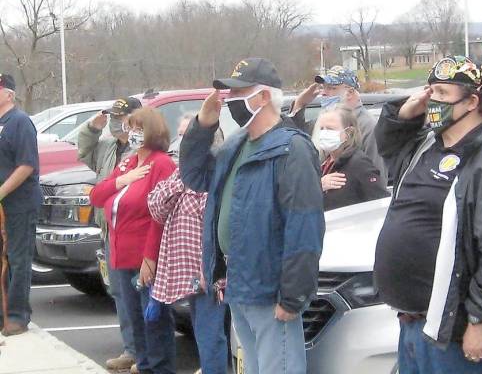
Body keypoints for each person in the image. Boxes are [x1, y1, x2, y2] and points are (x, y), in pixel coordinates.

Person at [373, 56, 482, 373]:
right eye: (430, 91)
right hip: (415, 326)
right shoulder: (426, 147)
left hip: (458, 335)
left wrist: (481, 318)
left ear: (472, 101)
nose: (432, 101)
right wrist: (405, 112)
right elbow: (388, 143)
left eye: (442, 95)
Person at [179, 58, 325, 374]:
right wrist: (202, 126)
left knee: (279, 367)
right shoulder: (237, 144)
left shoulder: (291, 149)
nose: (229, 101)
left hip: (268, 287)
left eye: (237, 93)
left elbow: (304, 226)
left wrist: (292, 296)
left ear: (262, 97)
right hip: (237, 281)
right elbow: (194, 175)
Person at [90, 107, 176, 374]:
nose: (133, 134)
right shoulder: (128, 163)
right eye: (131, 128)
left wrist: (150, 258)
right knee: (134, 317)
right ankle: (143, 362)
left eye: (139, 129)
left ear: (153, 132)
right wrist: (121, 181)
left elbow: (159, 216)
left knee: (154, 318)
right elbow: (97, 196)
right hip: (120, 254)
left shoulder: (162, 164)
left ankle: (158, 366)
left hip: (145, 256)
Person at [77, 96, 142, 371]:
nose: (118, 123)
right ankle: (131, 348)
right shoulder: (108, 148)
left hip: (134, 229)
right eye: (114, 118)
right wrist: (92, 126)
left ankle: (146, 351)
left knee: (139, 292)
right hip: (110, 229)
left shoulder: (142, 149)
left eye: (122, 118)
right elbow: (84, 151)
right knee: (119, 291)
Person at [148, 162, 228, 374]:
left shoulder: (213, 177)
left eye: (187, 135)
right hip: (187, 272)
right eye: (182, 136)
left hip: (208, 274)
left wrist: (208, 267)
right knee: (201, 332)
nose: (184, 142)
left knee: (210, 334)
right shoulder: (179, 174)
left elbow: (216, 227)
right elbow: (156, 206)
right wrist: (182, 181)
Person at [289, 65, 388, 187]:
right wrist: (300, 104)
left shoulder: (368, 126)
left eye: (331, 88)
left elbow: (377, 180)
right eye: (323, 88)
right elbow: (296, 138)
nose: (324, 93)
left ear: (350, 93)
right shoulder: (326, 120)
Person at [0, 74, 42, 336]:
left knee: (18, 258)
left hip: (19, 204)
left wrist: (1, 192)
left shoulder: (20, 122)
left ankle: (17, 316)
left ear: (9, 94)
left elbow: (27, 165)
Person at [314, 105, 387, 211]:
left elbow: (378, 201)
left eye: (330, 129)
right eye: (321, 128)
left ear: (349, 132)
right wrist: (318, 186)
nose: (324, 133)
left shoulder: (358, 163)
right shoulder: (324, 161)